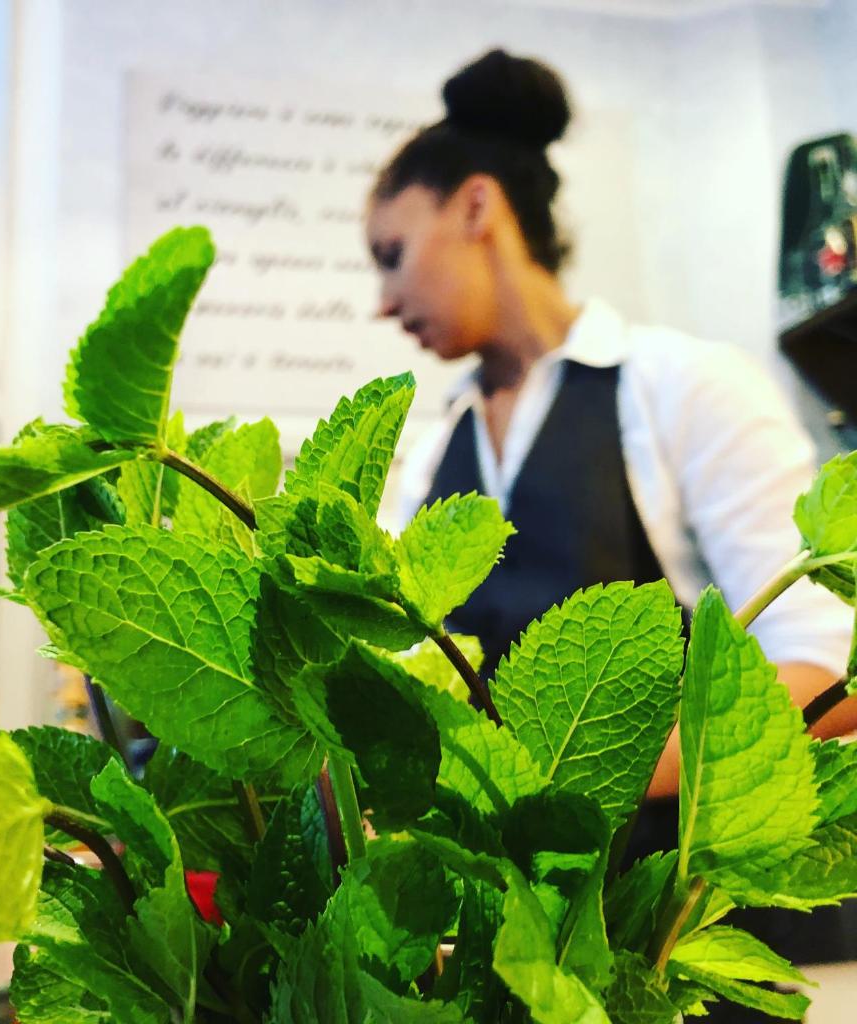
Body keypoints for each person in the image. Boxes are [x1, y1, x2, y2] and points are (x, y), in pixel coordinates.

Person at [365, 47, 856, 1011]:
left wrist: (567, 785)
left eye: (392, 254)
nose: (382, 301)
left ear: (476, 208)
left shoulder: (682, 389)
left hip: (720, 943)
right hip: (531, 958)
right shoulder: (434, 449)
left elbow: (829, 673)